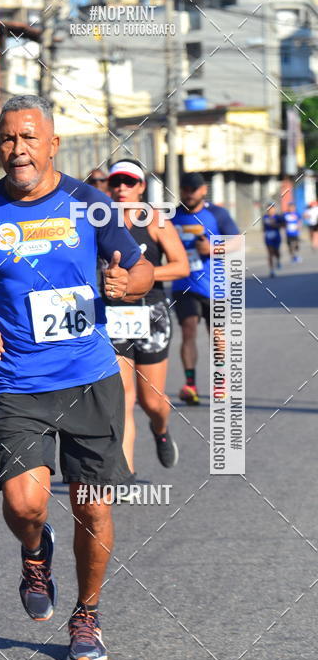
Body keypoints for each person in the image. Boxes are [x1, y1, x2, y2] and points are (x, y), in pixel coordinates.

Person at [0, 95, 153, 660]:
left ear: (53, 144)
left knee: (91, 506)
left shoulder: (89, 203)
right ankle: (35, 551)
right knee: (24, 502)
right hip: (18, 378)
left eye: (29, 138)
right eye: (8, 139)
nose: (18, 150)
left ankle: (86, 615)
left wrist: (130, 285)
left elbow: (138, 266)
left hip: (89, 376)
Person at [103, 159, 189, 472]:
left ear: (141, 186)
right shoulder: (99, 221)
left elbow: (182, 266)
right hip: (112, 313)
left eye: (129, 182)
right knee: (121, 399)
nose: (122, 189)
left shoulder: (155, 220)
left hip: (151, 312)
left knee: (151, 401)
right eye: (116, 183)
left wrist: (141, 275)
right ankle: (125, 471)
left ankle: (161, 429)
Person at [172, 172, 240, 405]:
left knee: (217, 335)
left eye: (193, 189)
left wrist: (213, 248)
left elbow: (237, 241)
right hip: (184, 285)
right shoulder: (172, 215)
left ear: (202, 190)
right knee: (188, 330)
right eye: (185, 189)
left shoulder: (217, 214)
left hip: (216, 286)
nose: (188, 193)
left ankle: (221, 382)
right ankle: (190, 384)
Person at [262, 203, 282, 277]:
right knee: (270, 253)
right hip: (268, 237)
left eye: (272, 208)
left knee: (276, 252)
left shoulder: (278, 217)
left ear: (274, 209)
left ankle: (278, 260)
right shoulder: (265, 217)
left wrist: (275, 225)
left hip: (276, 237)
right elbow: (263, 227)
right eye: (269, 209)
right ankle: (272, 270)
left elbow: (283, 225)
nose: (270, 210)